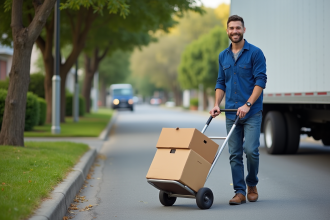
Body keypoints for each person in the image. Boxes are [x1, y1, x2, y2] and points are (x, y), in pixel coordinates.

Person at [209, 15, 267, 205]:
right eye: (231, 28)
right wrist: (217, 103)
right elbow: (220, 82)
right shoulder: (222, 56)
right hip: (231, 112)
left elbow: (260, 81)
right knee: (234, 154)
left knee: (251, 151)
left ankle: (251, 184)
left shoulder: (255, 53)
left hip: (251, 112)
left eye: (238, 28)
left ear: (244, 30)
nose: (235, 31)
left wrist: (248, 104)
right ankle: (239, 192)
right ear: (227, 31)